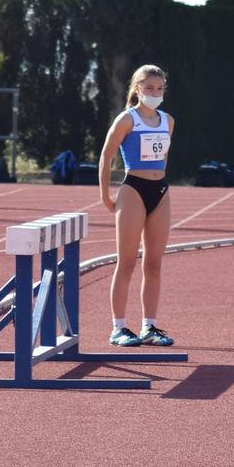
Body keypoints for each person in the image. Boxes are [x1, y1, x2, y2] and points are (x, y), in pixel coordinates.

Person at [95, 65, 177, 349]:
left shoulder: (168, 120)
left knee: (154, 263)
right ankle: (118, 327)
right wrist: (105, 196)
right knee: (127, 262)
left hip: (161, 192)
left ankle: (149, 326)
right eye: (149, 87)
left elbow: (163, 157)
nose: (155, 93)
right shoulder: (127, 119)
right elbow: (106, 157)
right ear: (137, 88)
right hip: (133, 191)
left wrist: (161, 182)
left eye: (160, 88)